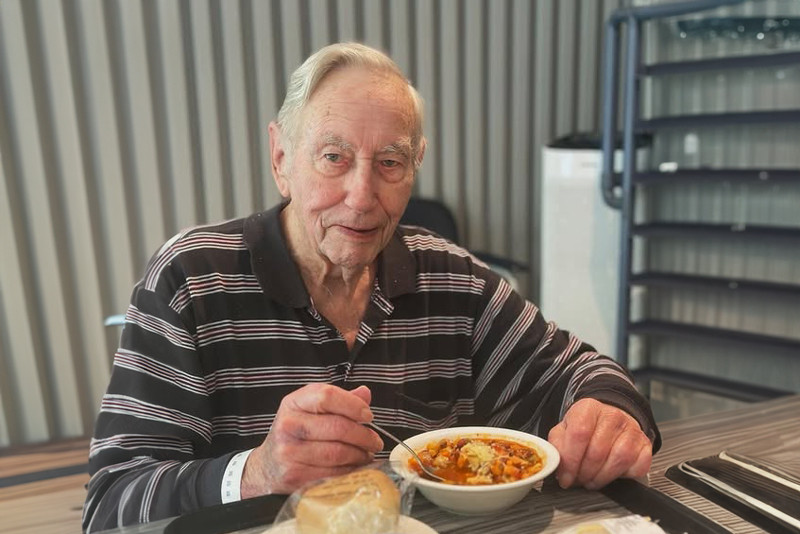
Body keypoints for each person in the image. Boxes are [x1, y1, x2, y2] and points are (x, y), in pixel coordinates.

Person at [82, 42, 660, 532]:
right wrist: (257, 472)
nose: (361, 197)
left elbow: (581, 372)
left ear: (417, 165)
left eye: (390, 162)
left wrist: (608, 412)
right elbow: (111, 506)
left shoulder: (452, 278)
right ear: (282, 157)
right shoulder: (190, 278)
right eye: (334, 157)